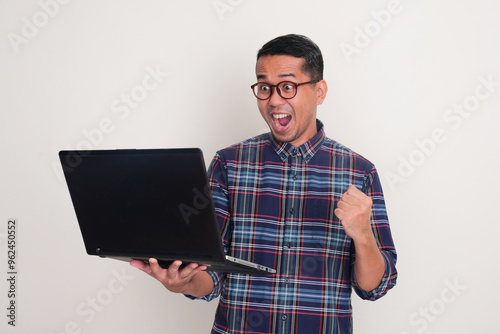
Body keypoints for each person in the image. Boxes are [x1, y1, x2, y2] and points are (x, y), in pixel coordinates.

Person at [131, 34, 397, 334]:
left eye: (287, 86)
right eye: (264, 87)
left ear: (319, 91)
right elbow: (210, 274)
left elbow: (375, 286)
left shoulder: (359, 173)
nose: (273, 100)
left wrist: (362, 235)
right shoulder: (228, 164)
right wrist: (183, 282)